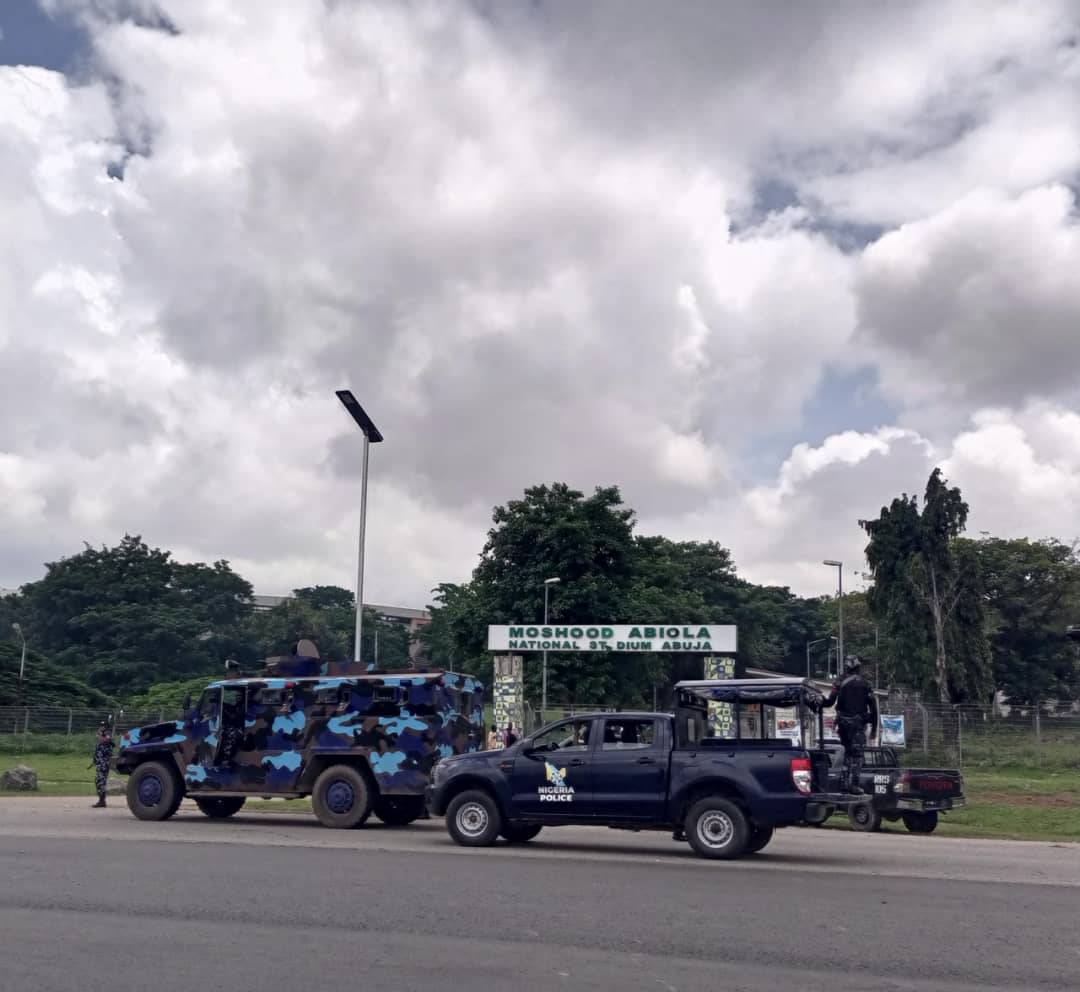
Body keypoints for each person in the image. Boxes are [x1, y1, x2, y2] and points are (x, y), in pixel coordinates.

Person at [820, 656, 878, 794]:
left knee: (847, 753)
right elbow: (874, 708)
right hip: (858, 726)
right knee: (857, 756)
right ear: (858, 667)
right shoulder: (866, 684)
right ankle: (855, 785)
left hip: (843, 725)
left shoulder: (839, 682)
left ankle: (845, 784)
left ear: (846, 667)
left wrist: (817, 700)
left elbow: (829, 702)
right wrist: (874, 729)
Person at [89, 720, 114, 809]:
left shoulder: (107, 735)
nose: (100, 727)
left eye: (102, 726)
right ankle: (101, 800)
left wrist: (100, 736)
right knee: (99, 781)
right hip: (100, 763)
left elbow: (107, 741)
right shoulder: (102, 736)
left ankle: (102, 801)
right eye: (100, 725)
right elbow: (99, 751)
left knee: (100, 781)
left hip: (104, 763)